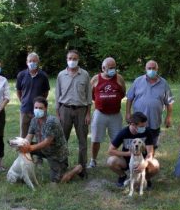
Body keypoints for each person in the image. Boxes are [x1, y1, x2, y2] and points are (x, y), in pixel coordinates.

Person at [21, 96, 84, 183]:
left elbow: (47, 142)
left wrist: (31, 148)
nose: (37, 110)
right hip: (44, 149)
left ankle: (77, 168)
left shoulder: (51, 121)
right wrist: (23, 144)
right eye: (36, 108)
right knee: (25, 147)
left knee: (58, 182)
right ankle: (27, 170)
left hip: (56, 153)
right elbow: (29, 136)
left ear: (46, 108)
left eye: (40, 108)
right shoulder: (34, 120)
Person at [55, 50, 92, 178]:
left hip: (81, 110)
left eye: (75, 58)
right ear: (66, 59)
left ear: (78, 59)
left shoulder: (85, 74)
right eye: (70, 58)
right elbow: (57, 96)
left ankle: (82, 167)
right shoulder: (61, 75)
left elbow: (88, 96)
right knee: (62, 140)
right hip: (64, 110)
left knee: (82, 140)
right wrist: (58, 114)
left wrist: (88, 114)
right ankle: (62, 166)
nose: (72, 60)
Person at [126, 60, 174, 148]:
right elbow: (129, 98)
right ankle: (137, 159)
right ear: (145, 69)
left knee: (153, 143)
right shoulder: (138, 81)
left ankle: (150, 158)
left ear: (157, 69)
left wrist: (168, 117)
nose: (151, 70)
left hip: (154, 119)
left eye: (153, 68)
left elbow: (169, 102)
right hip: (138, 120)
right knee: (136, 142)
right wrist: (128, 113)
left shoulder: (164, 83)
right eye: (149, 68)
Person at [88, 57, 126, 169]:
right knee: (95, 139)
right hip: (100, 113)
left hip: (115, 114)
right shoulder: (95, 79)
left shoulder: (119, 78)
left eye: (114, 67)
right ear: (103, 68)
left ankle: (115, 160)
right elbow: (90, 95)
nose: (113, 70)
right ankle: (93, 160)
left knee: (116, 139)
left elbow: (123, 93)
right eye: (110, 68)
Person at [107, 112, 160, 188]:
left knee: (155, 164)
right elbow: (110, 151)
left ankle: (145, 179)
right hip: (127, 161)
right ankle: (122, 176)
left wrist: (145, 163)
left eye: (145, 125)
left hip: (142, 159)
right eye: (141, 126)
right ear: (133, 124)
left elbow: (150, 152)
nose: (144, 128)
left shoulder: (147, 131)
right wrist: (128, 154)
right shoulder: (123, 133)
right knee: (110, 161)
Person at [16, 52, 50, 137]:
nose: (32, 63)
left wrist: (40, 102)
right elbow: (18, 91)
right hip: (25, 109)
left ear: (38, 62)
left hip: (39, 110)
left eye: (34, 61)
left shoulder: (43, 76)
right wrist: (23, 101)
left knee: (40, 134)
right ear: (27, 62)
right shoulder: (21, 75)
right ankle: (24, 150)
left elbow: (46, 92)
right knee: (24, 134)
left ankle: (39, 150)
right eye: (30, 61)